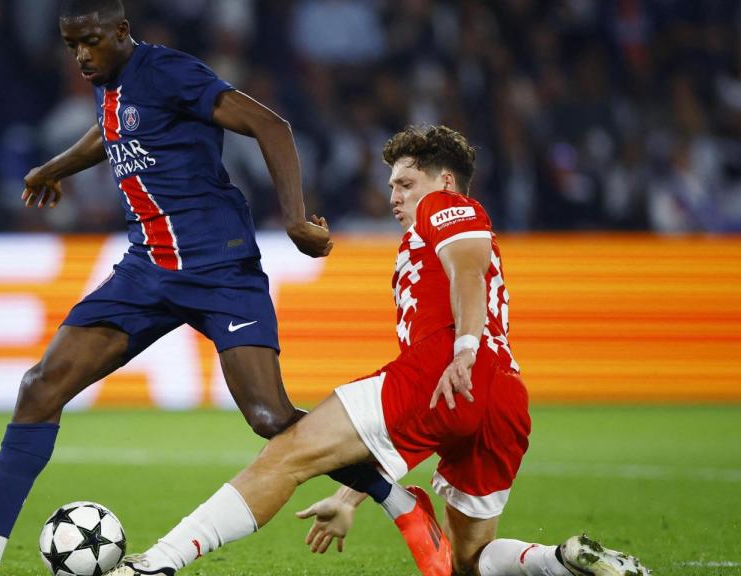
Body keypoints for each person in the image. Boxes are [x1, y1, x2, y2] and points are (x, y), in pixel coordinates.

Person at [0, 1, 397, 575]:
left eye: (90, 41)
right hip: (147, 270)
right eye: (72, 45)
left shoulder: (168, 71)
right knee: (40, 386)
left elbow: (270, 125)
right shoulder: (111, 81)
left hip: (219, 267)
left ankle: (397, 500)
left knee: (270, 417)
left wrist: (297, 218)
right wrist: (56, 167)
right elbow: (112, 130)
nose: (81, 56)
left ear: (121, 31)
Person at [106, 125, 651, 576]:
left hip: (447, 369)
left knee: (286, 454)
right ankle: (560, 560)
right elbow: (403, 429)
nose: (395, 197)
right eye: (391, 186)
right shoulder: (425, 237)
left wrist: (463, 349)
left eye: (406, 183)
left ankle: (159, 562)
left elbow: (468, 270)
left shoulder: (447, 206)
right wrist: (348, 498)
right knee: (468, 562)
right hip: (503, 399)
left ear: (444, 180)